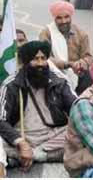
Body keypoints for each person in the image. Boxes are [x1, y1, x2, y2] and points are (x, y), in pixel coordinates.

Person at [0, 41, 76, 172]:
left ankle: (35, 156)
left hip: (52, 136)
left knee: (79, 132)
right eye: (35, 59)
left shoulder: (58, 81)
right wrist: (20, 143)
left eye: (43, 58)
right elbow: (1, 120)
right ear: (26, 62)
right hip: (21, 137)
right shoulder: (11, 85)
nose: (40, 63)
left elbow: (78, 109)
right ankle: (40, 155)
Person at [39, 1, 93, 94]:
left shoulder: (81, 34)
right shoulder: (47, 33)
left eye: (66, 17)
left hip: (77, 72)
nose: (63, 21)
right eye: (59, 18)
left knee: (90, 75)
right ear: (54, 18)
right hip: (54, 72)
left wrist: (81, 63)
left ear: (71, 17)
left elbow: (88, 57)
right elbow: (46, 58)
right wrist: (68, 64)